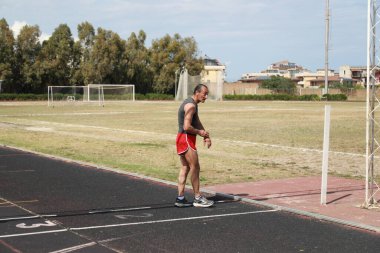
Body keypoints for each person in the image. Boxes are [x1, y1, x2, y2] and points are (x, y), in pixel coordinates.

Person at [175, 84, 214, 208]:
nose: (206, 97)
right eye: (204, 94)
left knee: (185, 167)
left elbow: (196, 121)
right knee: (195, 167)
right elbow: (187, 126)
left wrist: (205, 135)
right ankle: (197, 198)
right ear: (197, 92)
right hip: (186, 138)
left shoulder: (192, 104)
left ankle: (180, 198)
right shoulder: (191, 106)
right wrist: (199, 132)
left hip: (182, 138)